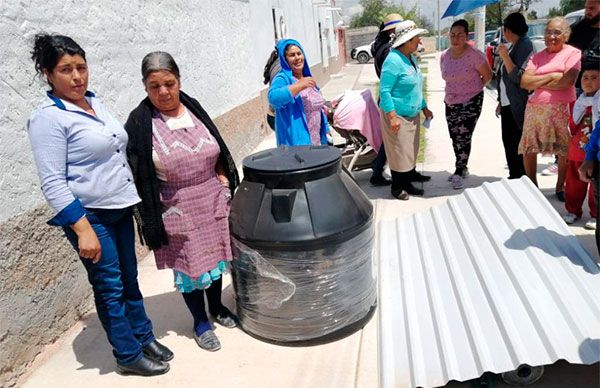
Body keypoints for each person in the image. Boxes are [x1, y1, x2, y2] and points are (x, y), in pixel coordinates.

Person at [27, 34, 171, 376]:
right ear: (48, 74)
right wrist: (83, 230)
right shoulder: (48, 118)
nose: (77, 77)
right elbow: (52, 182)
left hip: (119, 207)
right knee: (110, 286)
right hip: (90, 216)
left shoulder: (94, 102)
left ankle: (143, 336)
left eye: (81, 67)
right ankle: (126, 354)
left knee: (130, 279)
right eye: (66, 70)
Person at [124, 52, 240, 352]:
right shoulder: (140, 122)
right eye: (154, 87)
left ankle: (216, 307)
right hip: (176, 205)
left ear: (178, 81)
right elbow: (138, 170)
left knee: (215, 261)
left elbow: (217, 147)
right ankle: (200, 321)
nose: (163, 92)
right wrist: (149, 214)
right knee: (190, 268)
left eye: (169, 83)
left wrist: (222, 175)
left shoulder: (193, 108)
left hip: (213, 198)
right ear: (145, 87)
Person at [520, 17, 581, 200]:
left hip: (562, 108)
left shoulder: (573, 53)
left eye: (556, 32)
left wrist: (538, 82)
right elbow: (524, 82)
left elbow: (568, 81)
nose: (551, 36)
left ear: (566, 35)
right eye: (548, 32)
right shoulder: (537, 56)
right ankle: (532, 186)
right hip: (535, 109)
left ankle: (560, 187)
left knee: (563, 149)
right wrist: (553, 76)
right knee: (530, 148)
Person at [379, 20, 433, 200]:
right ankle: (397, 187)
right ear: (407, 40)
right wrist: (392, 116)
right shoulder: (393, 60)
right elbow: (384, 91)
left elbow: (415, 87)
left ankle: (407, 183)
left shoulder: (411, 58)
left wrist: (424, 108)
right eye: (416, 37)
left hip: (412, 114)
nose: (419, 41)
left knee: (409, 151)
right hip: (396, 115)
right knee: (399, 152)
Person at [441, 19, 493, 190]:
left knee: (464, 135)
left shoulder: (475, 55)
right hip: (451, 101)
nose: (455, 39)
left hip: (471, 100)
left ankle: (459, 170)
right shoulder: (445, 56)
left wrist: (472, 90)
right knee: (454, 136)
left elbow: (487, 76)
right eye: (452, 35)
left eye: (460, 35)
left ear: (466, 36)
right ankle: (462, 165)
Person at [268, 39, 328, 146]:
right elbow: (273, 98)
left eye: (299, 53)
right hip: (297, 147)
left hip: (316, 142)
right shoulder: (283, 78)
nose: (297, 58)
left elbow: (317, 108)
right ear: (285, 59)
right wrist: (298, 86)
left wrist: (326, 128)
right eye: (292, 55)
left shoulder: (306, 77)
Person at [495, 12, 533, 180]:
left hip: (517, 103)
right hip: (507, 103)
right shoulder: (514, 44)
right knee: (509, 142)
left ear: (508, 30)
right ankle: (514, 175)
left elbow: (518, 78)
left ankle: (520, 177)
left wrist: (504, 56)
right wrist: (500, 100)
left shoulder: (525, 45)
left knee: (516, 143)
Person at [368, 13, 403, 186]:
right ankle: (377, 172)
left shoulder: (380, 46)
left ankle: (378, 170)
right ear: (392, 31)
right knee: (391, 139)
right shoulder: (389, 49)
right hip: (392, 96)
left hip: (386, 94)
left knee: (388, 138)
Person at [563, 64, 599, 228]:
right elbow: (571, 125)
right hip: (577, 149)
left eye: (594, 78)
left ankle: (596, 214)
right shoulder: (576, 102)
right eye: (585, 77)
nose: (588, 81)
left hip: (595, 151)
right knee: (573, 182)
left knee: (595, 185)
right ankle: (573, 210)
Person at [568, 0, 600, 89]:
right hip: (578, 89)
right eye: (586, 8)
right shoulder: (576, 30)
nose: (587, 12)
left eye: (592, 8)